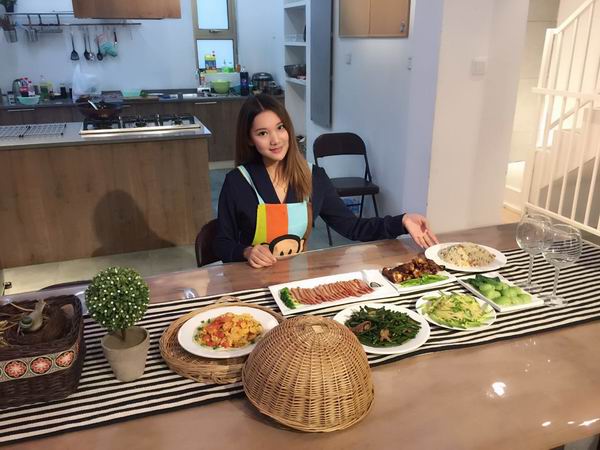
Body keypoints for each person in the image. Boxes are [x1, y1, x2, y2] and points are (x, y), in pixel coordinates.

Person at [214, 94, 438, 268]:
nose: (275, 140)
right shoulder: (237, 182)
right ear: (249, 139)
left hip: (295, 283)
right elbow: (222, 243)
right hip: (252, 282)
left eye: (280, 128)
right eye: (263, 133)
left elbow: (353, 227)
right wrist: (246, 251)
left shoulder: (313, 177)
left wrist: (401, 221)